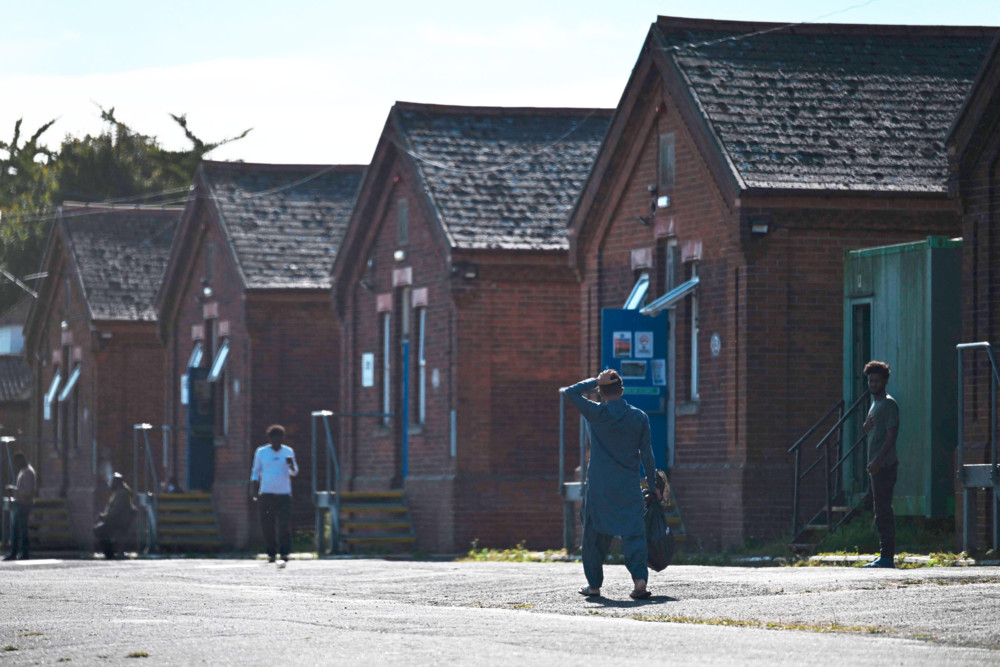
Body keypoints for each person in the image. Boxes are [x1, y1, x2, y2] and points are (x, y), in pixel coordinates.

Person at [564, 369, 660, 599]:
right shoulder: (639, 417)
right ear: (622, 391)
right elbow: (647, 455)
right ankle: (639, 580)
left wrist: (595, 381)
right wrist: (653, 485)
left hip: (599, 487)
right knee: (634, 533)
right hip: (628, 485)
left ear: (600, 392)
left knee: (593, 535)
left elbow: (570, 392)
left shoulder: (595, 412)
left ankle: (594, 585)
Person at [861, 360, 899, 569]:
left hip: (885, 466)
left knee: (883, 510)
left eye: (876, 380)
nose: (873, 384)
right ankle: (884, 555)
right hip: (876, 466)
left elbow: (891, 436)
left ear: (884, 381)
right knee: (879, 510)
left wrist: (877, 460)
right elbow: (876, 432)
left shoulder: (888, 404)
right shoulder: (875, 404)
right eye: (870, 380)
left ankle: (887, 557)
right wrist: (866, 427)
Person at [249, 424, 298, 567]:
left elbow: (294, 472)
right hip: (266, 494)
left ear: (283, 438)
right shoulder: (262, 452)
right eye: (274, 438)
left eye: (279, 438)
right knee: (267, 525)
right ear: (269, 439)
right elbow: (255, 471)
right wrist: (254, 489)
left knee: (284, 525)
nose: (277, 441)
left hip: (284, 494)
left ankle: (284, 553)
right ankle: (271, 553)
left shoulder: (288, 451)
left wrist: (291, 465)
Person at [93, 473, 137, 560]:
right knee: (100, 530)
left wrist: (105, 516)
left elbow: (116, 511)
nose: (111, 484)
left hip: (118, 522)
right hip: (116, 520)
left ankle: (109, 552)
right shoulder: (118, 493)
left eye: (113, 482)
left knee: (99, 530)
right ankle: (110, 552)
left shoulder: (122, 494)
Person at [4, 452, 36, 561]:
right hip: (20, 503)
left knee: (21, 530)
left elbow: (28, 491)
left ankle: (22, 553)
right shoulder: (24, 471)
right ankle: (16, 552)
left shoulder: (28, 472)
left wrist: (14, 489)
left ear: (22, 460)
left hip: (23, 504)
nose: (16, 465)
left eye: (17, 462)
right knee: (16, 530)